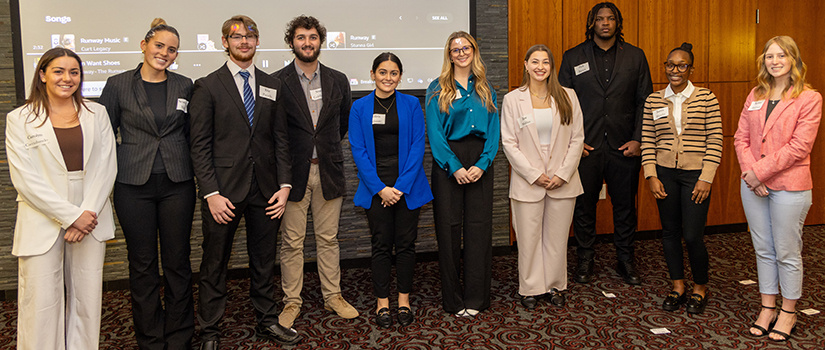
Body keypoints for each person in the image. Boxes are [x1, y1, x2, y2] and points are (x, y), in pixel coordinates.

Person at [189, 15, 299, 349]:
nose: (244, 42)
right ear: (225, 42)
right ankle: (209, 330)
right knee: (214, 263)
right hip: (222, 193)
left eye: (250, 36)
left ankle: (267, 320)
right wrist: (210, 193)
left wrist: (284, 186)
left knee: (264, 261)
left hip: (266, 190)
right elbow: (199, 145)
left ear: (257, 41)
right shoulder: (207, 86)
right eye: (237, 37)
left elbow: (280, 139)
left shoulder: (272, 84)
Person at [6, 47, 117, 349]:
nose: (67, 78)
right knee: (40, 301)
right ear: (42, 74)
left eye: (74, 72)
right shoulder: (20, 118)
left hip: (90, 214)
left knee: (86, 298)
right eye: (58, 71)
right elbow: (25, 179)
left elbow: (106, 166)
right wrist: (70, 216)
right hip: (41, 215)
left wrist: (86, 214)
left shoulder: (98, 113)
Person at [98, 18, 196, 349]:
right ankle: (151, 340)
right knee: (142, 266)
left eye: (171, 50)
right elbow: (104, 137)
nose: (164, 53)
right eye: (159, 46)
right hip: (132, 186)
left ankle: (180, 337)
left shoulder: (185, 85)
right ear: (144, 45)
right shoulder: (117, 84)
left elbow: (190, 134)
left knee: (177, 263)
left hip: (177, 185)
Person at [558, 1, 653, 285]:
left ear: (618, 23)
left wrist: (638, 139)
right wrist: (573, 142)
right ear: (592, 23)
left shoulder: (636, 57)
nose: (605, 23)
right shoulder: (573, 56)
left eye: (611, 19)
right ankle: (585, 259)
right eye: (600, 19)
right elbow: (562, 105)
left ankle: (626, 259)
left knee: (625, 207)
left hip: (625, 147)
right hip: (586, 148)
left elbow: (644, 102)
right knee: (584, 207)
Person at [735, 35, 821, 342]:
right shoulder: (755, 94)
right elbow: (741, 138)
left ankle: (788, 311)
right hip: (753, 185)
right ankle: (767, 306)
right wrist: (751, 175)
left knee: (786, 251)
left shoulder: (810, 98)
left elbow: (799, 147)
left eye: (781, 56)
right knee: (763, 249)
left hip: (789, 186)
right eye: (769, 56)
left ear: (794, 61)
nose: (774, 61)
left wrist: (758, 173)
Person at [273, 15, 357, 328]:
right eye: (300, 38)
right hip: (291, 175)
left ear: (320, 41)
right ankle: (292, 302)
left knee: (329, 238)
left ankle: (332, 296)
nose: (307, 43)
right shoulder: (276, 81)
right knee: (292, 242)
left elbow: (341, 124)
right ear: (291, 42)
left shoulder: (338, 79)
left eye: (312, 37)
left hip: (328, 170)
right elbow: (275, 131)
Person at [349, 52, 433, 328]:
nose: (388, 78)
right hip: (376, 189)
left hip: (407, 186)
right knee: (381, 245)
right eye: (382, 72)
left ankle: (404, 299)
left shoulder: (411, 104)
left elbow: (417, 146)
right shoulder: (359, 107)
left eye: (393, 73)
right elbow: (358, 151)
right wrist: (380, 189)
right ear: (372, 74)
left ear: (400, 75)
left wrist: (399, 187)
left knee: (407, 246)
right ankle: (382, 302)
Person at [640, 43, 723, 315]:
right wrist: (651, 175)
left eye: (682, 65)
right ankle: (678, 285)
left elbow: (715, 141)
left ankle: (700, 286)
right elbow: (648, 141)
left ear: (691, 69)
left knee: (693, 235)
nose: (675, 70)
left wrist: (706, 178)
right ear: (664, 67)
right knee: (670, 233)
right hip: (664, 174)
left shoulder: (706, 98)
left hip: (695, 177)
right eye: (670, 65)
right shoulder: (654, 100)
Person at [501, 44, 584, 310]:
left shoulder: (568, 96)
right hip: (528, 181)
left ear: (551, 67)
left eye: (545, 62)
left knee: (557, 238)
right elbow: (509, 143)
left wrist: (562, 173)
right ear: (525, 65)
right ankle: (531, 287)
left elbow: (577, 139)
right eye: (534, 62)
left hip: (563, 180)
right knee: (528, 238)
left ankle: (555, 285)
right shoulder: (513, 99)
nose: (540, 67)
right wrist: (534, 174)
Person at [426, 31, 499, 317]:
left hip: (480, 161)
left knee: (479, 230)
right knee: (449, 230)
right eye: (455, 49)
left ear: (473, 51)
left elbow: (493, 131)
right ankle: (453, 301)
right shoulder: (437, 87)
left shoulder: (485, 88)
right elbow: (435, 133)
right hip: (448, 163)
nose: (460, 53)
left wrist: (483, 163)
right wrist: (454, 167)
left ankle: (476, 299)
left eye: (465, 47)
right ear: (449, 55)